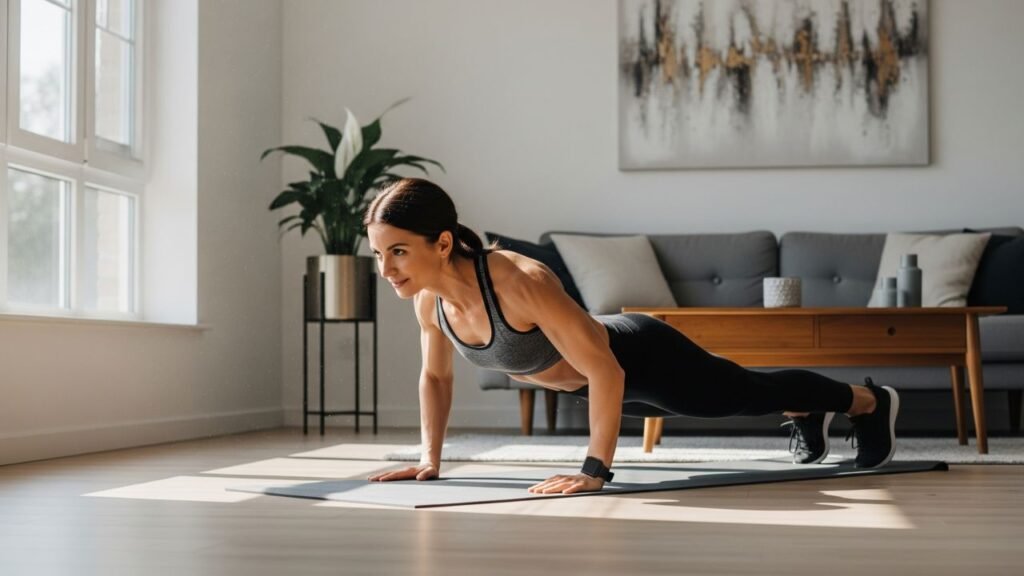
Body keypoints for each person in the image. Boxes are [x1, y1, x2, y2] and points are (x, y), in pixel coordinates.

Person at [364, 178, 899, 495]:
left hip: (640, 355)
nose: (386, 269)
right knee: (750, 395)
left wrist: (594, 470)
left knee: (743, 395)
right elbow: (436, 377)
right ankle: (805, 410)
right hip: (592, 383)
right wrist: (430, 459)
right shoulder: (429, 300)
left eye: (399, 252)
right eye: (379, 254)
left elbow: (605, 368)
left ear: (442, 243)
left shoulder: (518, 281)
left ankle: (869, 401)